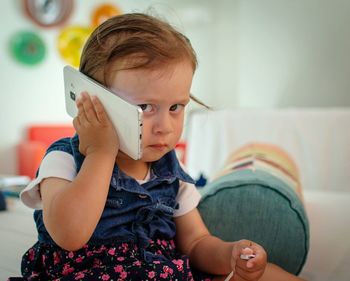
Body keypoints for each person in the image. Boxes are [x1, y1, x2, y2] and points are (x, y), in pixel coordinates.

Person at [12, 13, 306, 281]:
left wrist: (229, 254)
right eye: (146, 107)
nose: (165, 125)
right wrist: (101, 153)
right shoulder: (64, 158)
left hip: (162, 272)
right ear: (94, 101)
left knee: (269, 274)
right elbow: (69, 234)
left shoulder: (170, 172)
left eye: (176, 106)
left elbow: (195, 244)